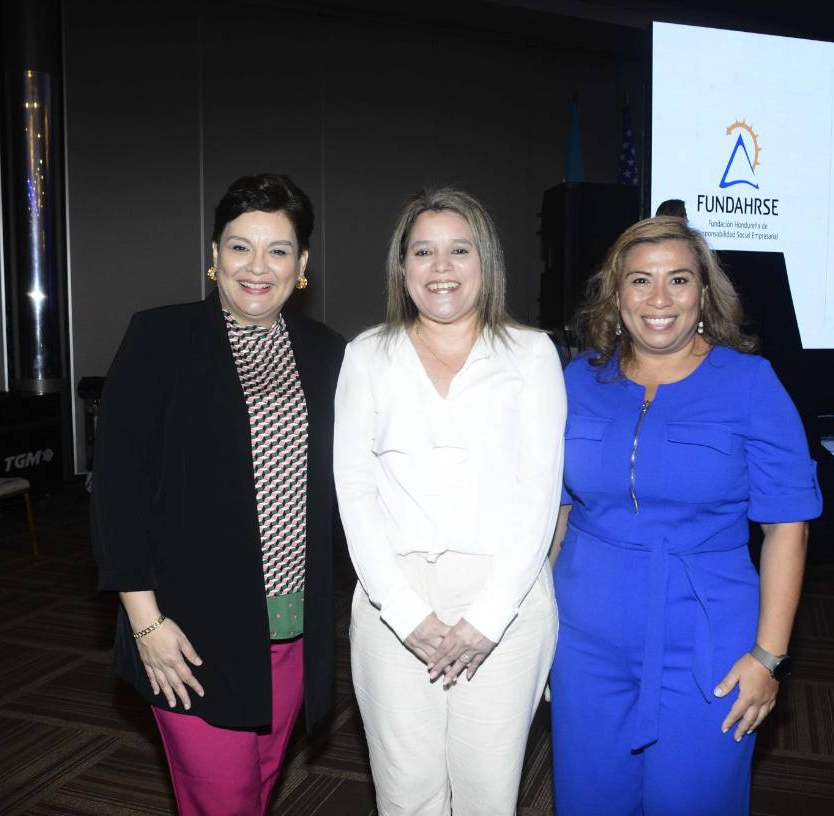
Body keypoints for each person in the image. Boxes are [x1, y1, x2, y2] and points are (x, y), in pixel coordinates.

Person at [91, 173, 346, 816]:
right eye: (240, 247)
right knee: (223, 800)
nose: (257, 267)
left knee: (257, 787)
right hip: (189, 631)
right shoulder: (160, 339)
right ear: (213, 255)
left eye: (278, 250)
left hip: (292, 629)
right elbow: (116, 490)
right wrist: (144, 622)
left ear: (303, 264)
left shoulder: (329, 354)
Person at [549, 216, 821, 815]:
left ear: (704, 293)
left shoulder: (750, 384)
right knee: (588, 800)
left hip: (709, 645)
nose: (659, 299)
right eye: (639, 280)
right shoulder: (576, 381)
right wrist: (537, 629)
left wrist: (769, 656)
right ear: (615, 294)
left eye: (679, 280)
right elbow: (556, 510)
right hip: (584, 640)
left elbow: (787, 528)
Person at [334, 188, 566, 815]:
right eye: (423, 252)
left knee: (487, 798)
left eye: (458, 250)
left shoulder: (532, 354)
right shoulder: (366, 357)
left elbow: (538, 497)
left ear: (484, 262)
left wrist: (487, 619)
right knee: (406, 796)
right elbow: (353, 493)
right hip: (393, 599)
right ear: (401, 268)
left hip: (506, 599)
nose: (441, 267)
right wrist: (405, 613)